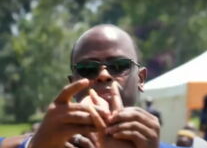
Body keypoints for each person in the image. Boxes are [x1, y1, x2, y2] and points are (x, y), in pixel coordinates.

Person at [1, 24, 183, 148]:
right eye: (88, 69)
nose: (103, 75)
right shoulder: (45, 143)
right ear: (73, 83)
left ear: (141, 79)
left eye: (119, 66)